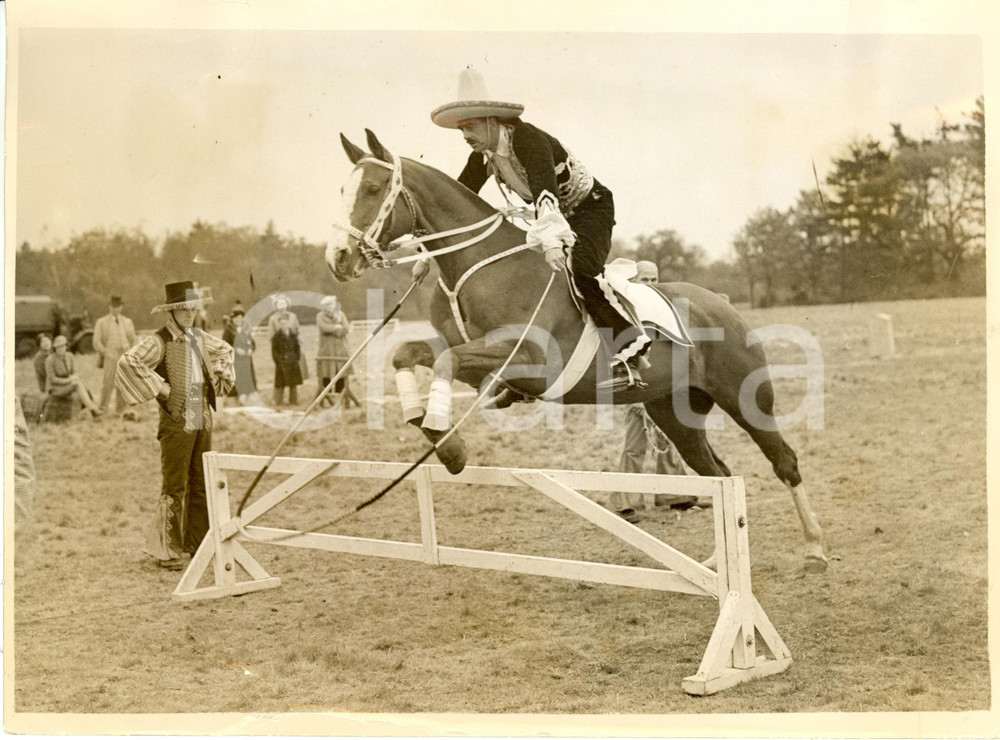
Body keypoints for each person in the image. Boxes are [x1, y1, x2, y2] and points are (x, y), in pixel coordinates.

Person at [429, 67, 650, 392]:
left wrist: (551, 243)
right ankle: (518, 375)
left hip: (590, 210)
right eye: (461, 129)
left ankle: (628, 355)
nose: (465, 136)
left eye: (470, 127)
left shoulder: (529, 140)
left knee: (583, 271)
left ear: (492, 121)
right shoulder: (483, 155)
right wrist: (429, 249)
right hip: (552, 220)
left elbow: (546, 194)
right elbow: (456, 202)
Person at [116, 281, 234, 570]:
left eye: (194, 308)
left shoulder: (198, 336)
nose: (190, 314)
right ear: (172, 311)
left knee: (201, 482)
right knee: (174, 485)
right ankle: (168, 551)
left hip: (201, 413)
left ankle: (198, 544)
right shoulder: (159, 340)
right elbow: (129, 362)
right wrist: (163, 389)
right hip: (176, 417)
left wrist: (217, 379)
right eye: (184, 309)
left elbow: (225, 350)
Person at [610, 260, 697, 522]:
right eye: (645, 279)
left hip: (661, 386)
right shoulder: (626, 312)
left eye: (654, 279)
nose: (651, 285)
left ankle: (675, 496)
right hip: (637, 387)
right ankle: (624, 502)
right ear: (634, 281)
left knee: (665, 439)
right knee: (635, 446)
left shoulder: (661, 309)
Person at [93, 295, 137, 415]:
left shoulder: (128, 322)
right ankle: (102, 409)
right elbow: (96, 341)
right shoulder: (101, 322)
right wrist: (106, 352)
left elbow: (133, 339)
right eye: (113, 307)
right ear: (109, 307)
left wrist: (130, 351)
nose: (115, 309)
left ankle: (120, 411)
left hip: (124, 354)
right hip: (110, 354)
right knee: (108, 382)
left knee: (123, 383)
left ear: (121, 307)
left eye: (117, 307)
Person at [315, 295, 361, 409]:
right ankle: (327, 398)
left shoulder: (341, 314)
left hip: (341, 350)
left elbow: (346, 328)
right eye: (327, 305)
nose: (330, 307)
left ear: (335, 304)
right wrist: (336, 327)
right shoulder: (320, 316)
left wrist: (337, 330)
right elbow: (324, 328)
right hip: (327, 350)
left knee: (340, 373)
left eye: (331, 304)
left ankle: (341, 398)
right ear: (324, 307)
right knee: (326, 373)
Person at [45, 335, 103, 418]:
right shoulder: (50, 360)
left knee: (81, 385)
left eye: (63, 346)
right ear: (55, 348)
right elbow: (52, 379)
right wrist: (69, 380)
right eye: (58, 347)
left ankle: (92, 408)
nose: (61, 349)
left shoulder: (70, 356)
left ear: (66, 346)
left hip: (68, 384)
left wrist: (73, 377)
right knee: (77, 384)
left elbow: (75, 372)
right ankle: (93, 409)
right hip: (55, 388)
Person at [222, 307, 257, 403]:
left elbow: (252, 343)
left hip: (246, 359)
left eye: (240, 318)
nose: (238, 320)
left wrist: (250, 349)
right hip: (236, 360)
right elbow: (225, 345)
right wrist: (236, 350)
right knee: (238, 378)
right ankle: (239, 397)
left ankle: (248, 396)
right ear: (232, 319)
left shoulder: (246, 329)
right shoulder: (228, 330)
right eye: (236, 318)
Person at [271, 314, 303, 406]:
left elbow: (297, 348)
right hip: (282, 362)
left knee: (293, 383)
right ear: (279, 324)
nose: (283, 325)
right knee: (280, 383)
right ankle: (278, 401)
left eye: (285, 323)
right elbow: (274, 351)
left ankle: (293, 401)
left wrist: (296, 358)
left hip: (293, 361)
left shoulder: (293, 335)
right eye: (281, 323)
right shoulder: (276, 337)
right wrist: (278, 361)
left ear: (288, 323)